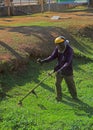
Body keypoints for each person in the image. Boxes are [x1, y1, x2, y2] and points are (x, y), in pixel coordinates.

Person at [37, 36, 78, 102]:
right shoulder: (58, 48)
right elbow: (52, 57)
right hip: (58, 69)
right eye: (57, 45)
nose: (59, 46)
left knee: (70, 84)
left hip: (67, 71)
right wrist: (43, 61)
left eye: (60, 45)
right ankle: (59, 98)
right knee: (57, 84)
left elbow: (68, 62)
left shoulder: (69, 50)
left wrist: (61, 69)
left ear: (64, 43)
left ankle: (74, 97)